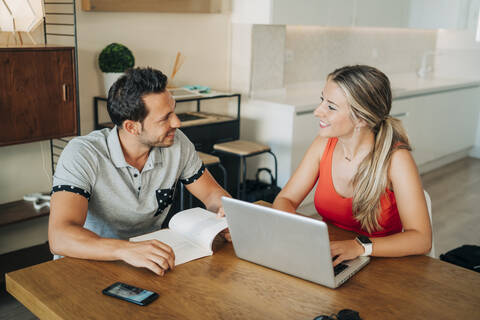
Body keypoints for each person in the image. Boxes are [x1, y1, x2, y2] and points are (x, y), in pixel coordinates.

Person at [49, 67, 231, 275]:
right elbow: (60, 236)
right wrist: (126, 250)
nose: (177, 123)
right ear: (131, 127)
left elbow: (211, 193)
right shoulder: (82, 153)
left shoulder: (177, 143)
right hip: (87, 263)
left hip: (149, 260)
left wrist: (225, 212)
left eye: (174, 111)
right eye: (165, 118)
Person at [272, 65, 432, 266]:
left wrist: (360, 246)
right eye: (322, 100)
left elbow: (421, 239)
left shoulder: (397, 159)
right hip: (333, 256)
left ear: (361, 119)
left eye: (331, 106)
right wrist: (299, 235)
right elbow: (285, 198)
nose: (317, 111)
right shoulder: (323, 145)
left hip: (383, 264)